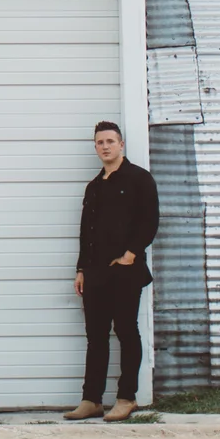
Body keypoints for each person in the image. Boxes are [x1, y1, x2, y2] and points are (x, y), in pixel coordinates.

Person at [67, 119, 157, 422]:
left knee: (126, 331)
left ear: (121, 144)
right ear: (95, 147)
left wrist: (130, 255)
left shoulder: (139, 179)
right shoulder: (93, 187)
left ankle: (126, 398)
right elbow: (86, 232)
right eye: (100, 142)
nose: (105, 147)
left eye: (110, 141)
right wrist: (81, 268)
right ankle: (91, 399)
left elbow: (150, 221)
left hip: (125, 270)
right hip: (95, 273)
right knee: (96, 337)